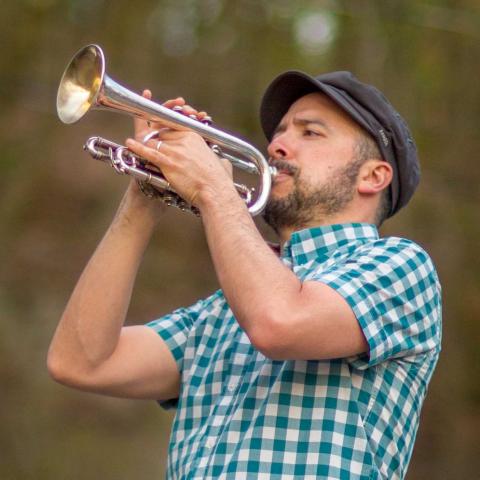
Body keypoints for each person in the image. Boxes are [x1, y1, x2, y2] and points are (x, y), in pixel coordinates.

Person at [47, 71, 442, 480]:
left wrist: (212, 188)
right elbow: (81, 362)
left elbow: (279, 323)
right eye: (281, 131)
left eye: (311, 133)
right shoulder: (222, 310)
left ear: (372, 176)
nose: (276, 145)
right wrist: (144, 195)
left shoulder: (400, 264)